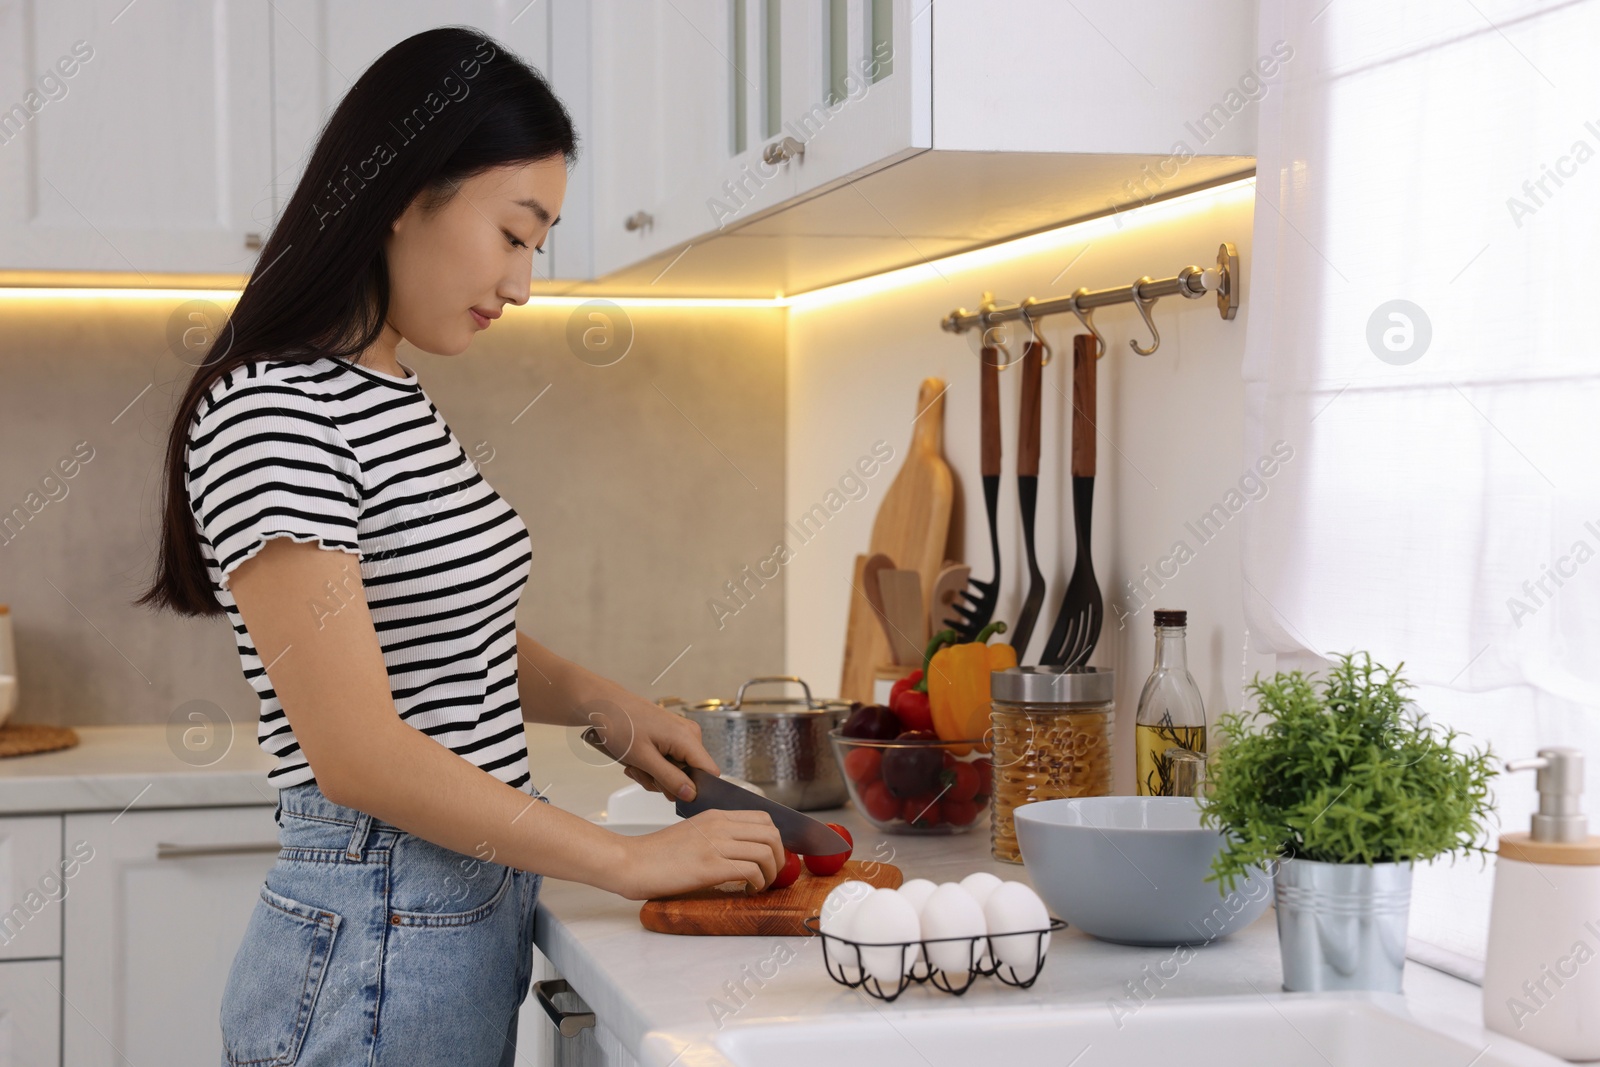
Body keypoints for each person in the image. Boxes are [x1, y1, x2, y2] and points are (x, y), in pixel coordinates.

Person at [136, 27, 783, 1067]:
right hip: (372, 947)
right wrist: (624, 860)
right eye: (514, 234)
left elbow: (427, 621)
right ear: (405, 192)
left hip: (434, 933)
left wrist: (602, 706)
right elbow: (357, 752)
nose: (523, 284)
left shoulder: (384, 390)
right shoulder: (277, 411)